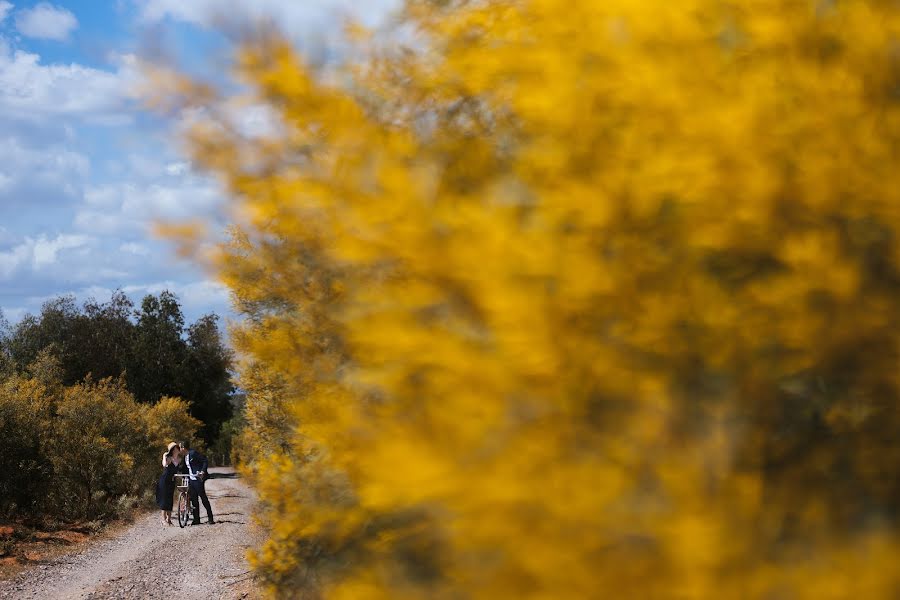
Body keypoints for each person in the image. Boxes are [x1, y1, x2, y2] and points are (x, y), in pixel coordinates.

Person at [178, 441, 215, 525]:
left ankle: (210, 517)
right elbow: (184, 468)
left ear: (184, 448)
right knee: (194, 500)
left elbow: (204, 460)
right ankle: (196, 519)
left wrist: (202, 471)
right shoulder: (185, 457)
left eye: (180, 448)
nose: (179, 450)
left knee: (203, 498)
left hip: (198, 479)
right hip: (191, 480)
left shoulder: (193, 453)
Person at [155, 442, 180, 526]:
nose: (177, 449)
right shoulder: (167, 456)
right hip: (165, 480)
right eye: (175, 448)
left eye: (177, 447)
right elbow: (164, 464)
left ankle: (169, 519)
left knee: (170, 500)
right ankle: (163, 519)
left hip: (172, 481)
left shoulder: (178, 459)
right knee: (164, 500)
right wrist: (166, 458)